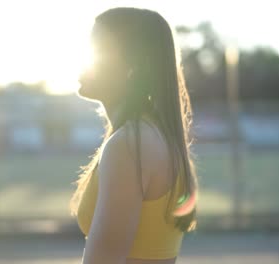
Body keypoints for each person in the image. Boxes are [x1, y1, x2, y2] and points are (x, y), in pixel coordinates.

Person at [70, 7, 198, 264]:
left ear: (132, 66)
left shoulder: (129, 146)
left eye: (99, 49)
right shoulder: (153, 136)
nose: (86, 57)